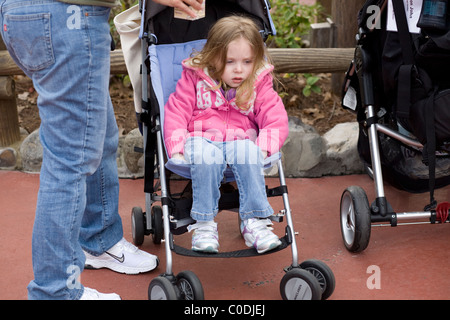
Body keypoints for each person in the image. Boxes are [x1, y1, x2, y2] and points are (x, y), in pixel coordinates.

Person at [0, 0, 203, 300]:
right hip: (68, 15)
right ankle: (56, 291)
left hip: (27, 13)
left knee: (100, 134)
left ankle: (98, 240)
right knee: (70, 161)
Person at [164, 16, 289, 254]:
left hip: (240, 138)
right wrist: (177, 147)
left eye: (247, 61)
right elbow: (176, 111)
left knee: (248, 152)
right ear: (213, 56)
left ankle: (255, 221)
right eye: (230, 61)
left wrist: (264, 146)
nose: (239, 69)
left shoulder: (257, 82)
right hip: (199, 137)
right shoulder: (195, 77)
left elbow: (275, 117)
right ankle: (204, 224)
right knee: (205, 156)